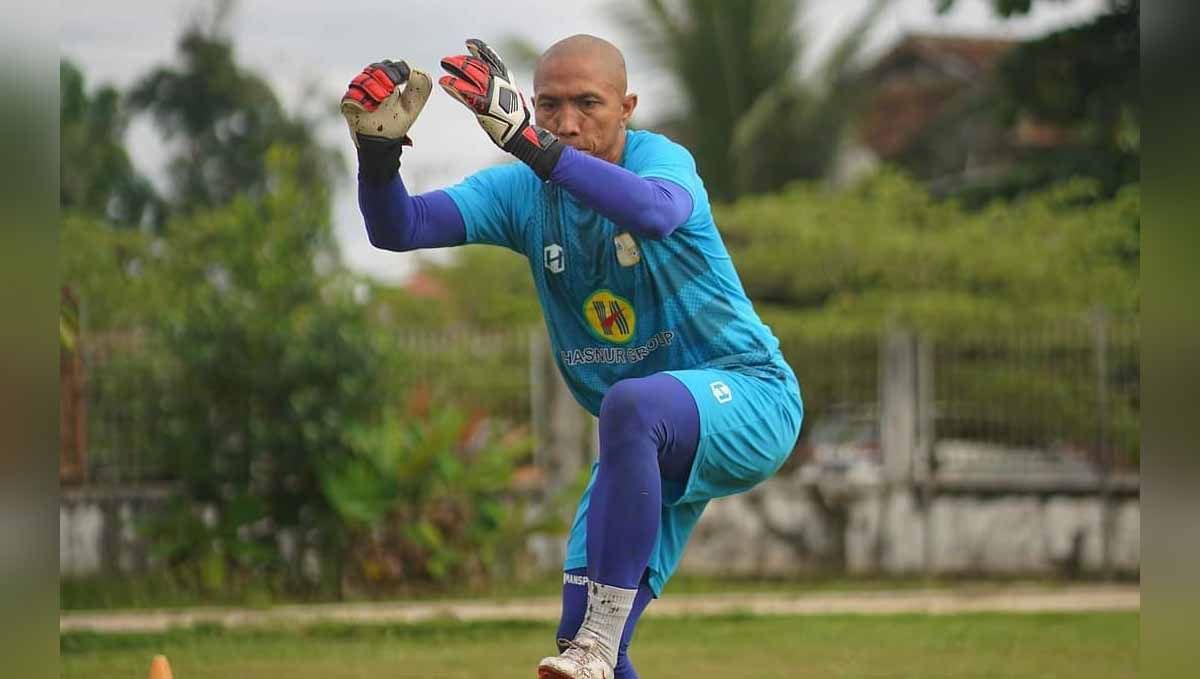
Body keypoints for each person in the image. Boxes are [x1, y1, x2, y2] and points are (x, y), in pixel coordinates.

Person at [340, 35, 803, 679]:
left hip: (751, 397)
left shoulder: (659, 161)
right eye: (549, 106)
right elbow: (400, 229)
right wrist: (377, 153)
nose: (567, 122)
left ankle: (600, 639)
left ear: (627, 107)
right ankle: (595, 645)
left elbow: (654, 213)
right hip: (639, 437)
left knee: (632, 410)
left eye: (588, 103)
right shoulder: (523, 194)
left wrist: (535, 146)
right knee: (573, 643)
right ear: (527, 104)